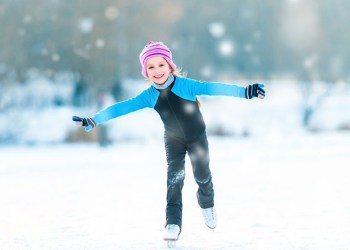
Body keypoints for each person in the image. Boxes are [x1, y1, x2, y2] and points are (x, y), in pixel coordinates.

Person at [72, 41, 265, 242]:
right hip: (173, 141)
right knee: (175, 179)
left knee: (202, 175)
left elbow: (214, 88)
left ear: (170, 66)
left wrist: (245, 92)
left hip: (197, 137)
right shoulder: (149, 96)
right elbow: (121, 107)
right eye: (151, 67)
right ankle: (173, 223)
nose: (157, 71)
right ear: (145, 72)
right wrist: (94, 120)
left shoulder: (186, 85)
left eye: (161, 65)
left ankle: (206, 203)